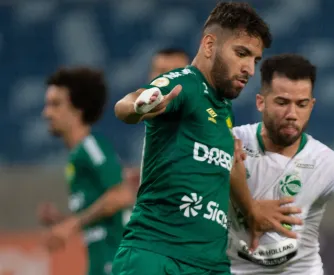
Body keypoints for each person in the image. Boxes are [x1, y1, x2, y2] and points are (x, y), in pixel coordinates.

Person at [112, 2, 302, 275]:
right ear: (210, 45)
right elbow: (125, 105)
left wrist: (251, 211)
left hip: (210, 264)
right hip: (157, 256)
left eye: (255, 60)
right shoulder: (185, 84)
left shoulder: (224, 109)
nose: (249, 68)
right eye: (241, 53)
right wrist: (140, 106)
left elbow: (230, 163)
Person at [228, 54, 334, 275]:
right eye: (282, 102)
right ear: (260, 102)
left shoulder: (328, 162)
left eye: (301, 104)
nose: (292, 114)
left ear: (311, 105)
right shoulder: (231, 143)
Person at [39, 67, 136, 275]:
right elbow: (98, 218)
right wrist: (61, 222)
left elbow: (121, 195)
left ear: (78, 109)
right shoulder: (77, 156)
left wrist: (71, 224)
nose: (46, 113)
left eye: (55, 104)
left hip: (117, 262)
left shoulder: (91, 147)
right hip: (101, 262)